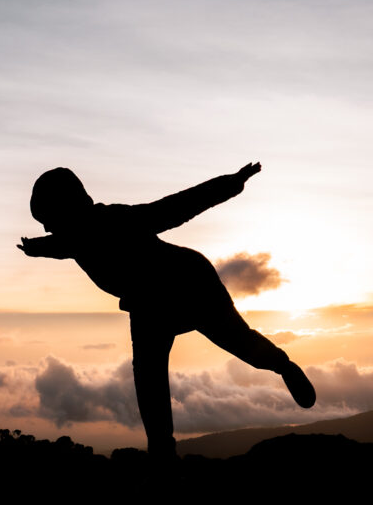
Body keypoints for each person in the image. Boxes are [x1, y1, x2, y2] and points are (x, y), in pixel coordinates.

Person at [18, 164, 316, 457]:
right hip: (148, 305)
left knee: (237, 340)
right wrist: (35, 248)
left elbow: (176, 207)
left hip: (190, 283)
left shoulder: (118, 219)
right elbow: (60, 245)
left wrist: (230, 184)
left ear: (68, 208)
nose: (46, 227)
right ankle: (161, 454)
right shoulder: (73, 237)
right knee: (147, 376)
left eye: (47, 218)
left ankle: (283, 366)